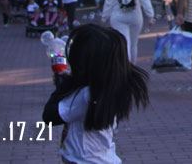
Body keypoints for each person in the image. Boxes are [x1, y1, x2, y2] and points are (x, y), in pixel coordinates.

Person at [42, 24, 149, 164]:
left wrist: (64, 83)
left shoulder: (87, 95)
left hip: (83, 160)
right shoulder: (109, 87)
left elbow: (50, 116)